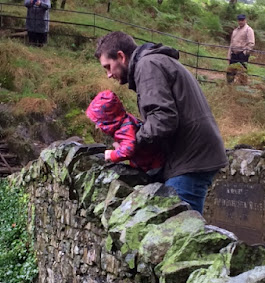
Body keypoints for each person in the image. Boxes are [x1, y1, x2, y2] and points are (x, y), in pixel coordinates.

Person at [94, 32, 228, 214]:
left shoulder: (147, 66)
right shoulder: (153, 62)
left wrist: (131, 144)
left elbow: (163, 119)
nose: (109, 75)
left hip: (190, 159)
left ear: (121, 56)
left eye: (108, 67)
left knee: (181, 232)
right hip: (191, 155)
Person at [86, 90, 164, 174]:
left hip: (151, 165)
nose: (97, 127)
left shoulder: (125, 129)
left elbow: (128, 150)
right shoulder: (125, 120)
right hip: (147, 160)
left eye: (100, 123)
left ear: (108, 120)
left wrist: (112, 155)